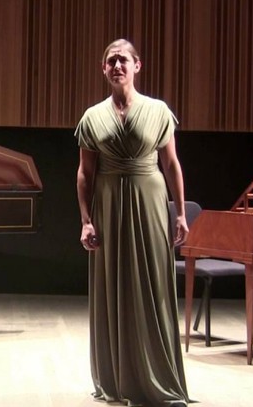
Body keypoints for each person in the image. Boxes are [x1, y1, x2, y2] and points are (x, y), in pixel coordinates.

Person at [75, 39, 190, 407]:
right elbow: (84, 173)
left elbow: (171, 165)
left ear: (137, 66)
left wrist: (181, 213)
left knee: (153, 285)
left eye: (123, 60)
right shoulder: (92, 116)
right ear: (103, 68)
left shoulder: (158, 111)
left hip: (150, 202)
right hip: (108, 203)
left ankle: (157, 375)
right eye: (111, 61)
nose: (117, 66)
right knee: (113, 284)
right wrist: (86, 220)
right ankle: (117, 378)